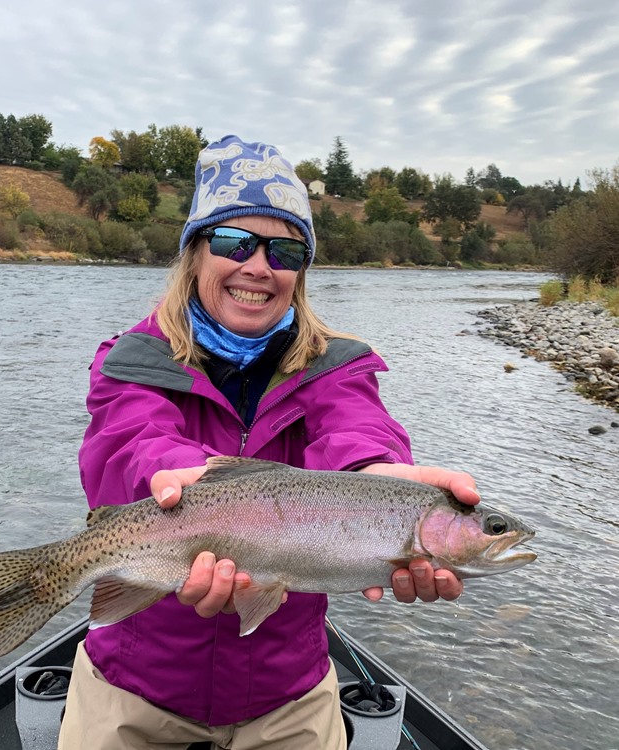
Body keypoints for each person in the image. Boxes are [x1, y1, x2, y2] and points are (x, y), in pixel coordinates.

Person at [58, 134, 481, 750]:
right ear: (195, 255)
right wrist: (185, 479)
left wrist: (374, 477)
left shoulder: (336, 368)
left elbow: (355, 430)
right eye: (235, 242)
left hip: (286, 694)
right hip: (134, 682)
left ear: (300, 272)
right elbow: (128, 444)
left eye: (284, 250)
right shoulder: (133, 359)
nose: (259, 266)